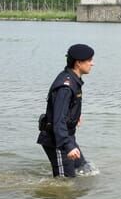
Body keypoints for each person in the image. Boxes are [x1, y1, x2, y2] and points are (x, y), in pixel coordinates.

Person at [37, 44, 95, 177]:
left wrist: (75, 115)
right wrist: (68, 146)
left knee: (85, 169)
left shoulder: (73, 79)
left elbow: (66, 107)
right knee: (65, 183)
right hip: (57, 141)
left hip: (66, 136)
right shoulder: (65, 86)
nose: (92, 64)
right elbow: (58, 120)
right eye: (89, 60)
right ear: (78, 63)